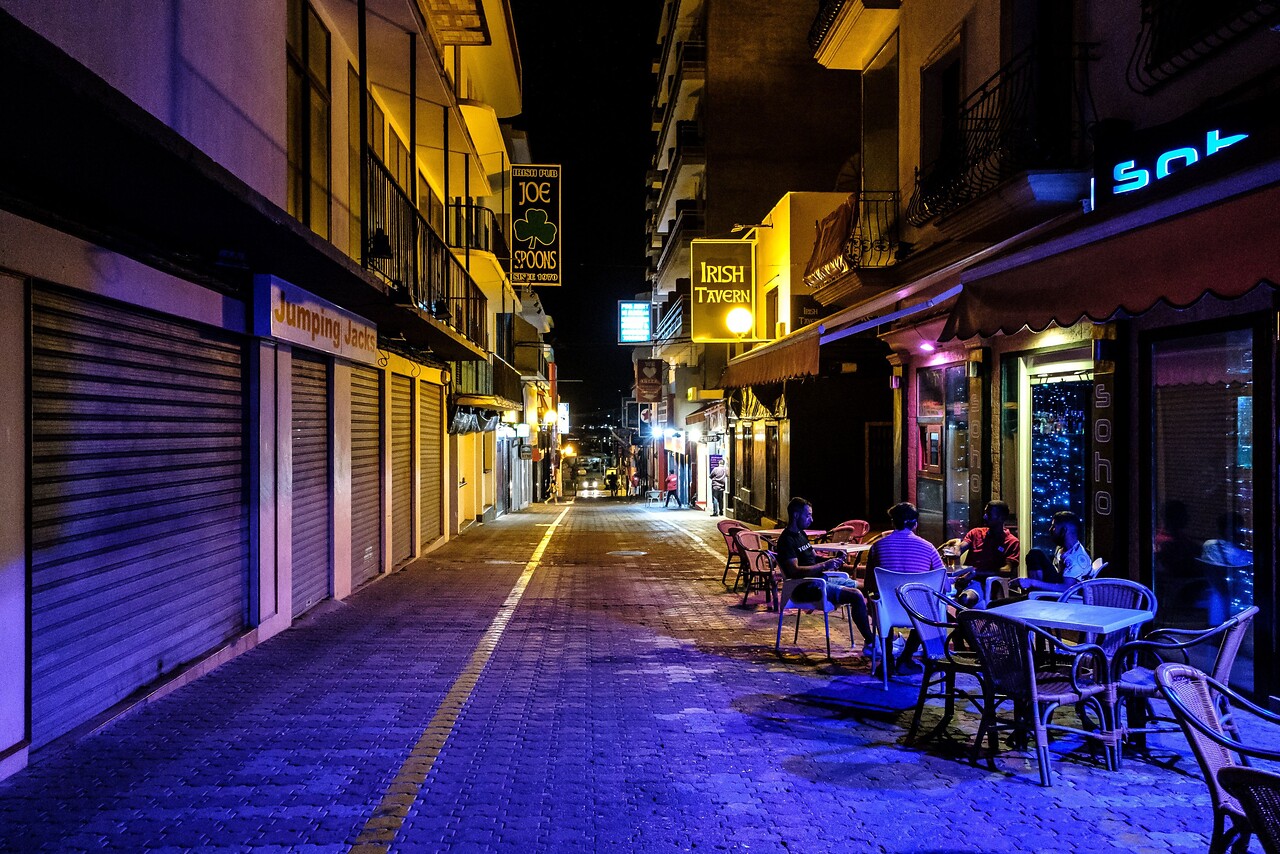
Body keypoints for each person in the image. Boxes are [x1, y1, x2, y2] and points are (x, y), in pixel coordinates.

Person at [775, 497, 874, 656]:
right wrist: (824, 566)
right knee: (855, 596)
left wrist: (832, 560)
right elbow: (794, 571)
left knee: (868, 588)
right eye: (808, 515)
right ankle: (871, 642)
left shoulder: (801, 534)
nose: (811, 519)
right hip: (806, 587)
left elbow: (814, 557)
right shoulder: (786, 540)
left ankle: (881, 635)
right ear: (795, 515)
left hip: (820, 580)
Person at [863, 502, 945, 674]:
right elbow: (944, 584)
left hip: (887, 612)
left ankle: (887, 662)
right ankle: (906, 658)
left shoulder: (877, 547)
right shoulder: (929, 548)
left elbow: (869, 584)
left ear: (893, 523)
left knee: (878, 601)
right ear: (915, 524)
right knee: (931, 608)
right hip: (918, 613)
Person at [1011, 510, 1092, 596]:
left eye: (1053, 527)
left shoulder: (1076, 558)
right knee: (1036, 555)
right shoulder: (1063, 549)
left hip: (1065, 598)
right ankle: (1033, 593)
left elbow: (1067, 588)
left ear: (1064, 530)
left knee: (1035, 554)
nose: (1050, 529)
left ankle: (1035, 594)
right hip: (1057, 588)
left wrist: (1032, 582)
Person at [953, 500, 1020, 603]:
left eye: (989, 514)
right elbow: (960, 548)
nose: (985, 517)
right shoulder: (976, 533)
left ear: (1001, 518)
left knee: (965, 599)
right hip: (963, 579)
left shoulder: (1011, 542)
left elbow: (1007, 570)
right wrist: (955, 549)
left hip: (985, 582)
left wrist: (976, 573)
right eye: (985, 513)